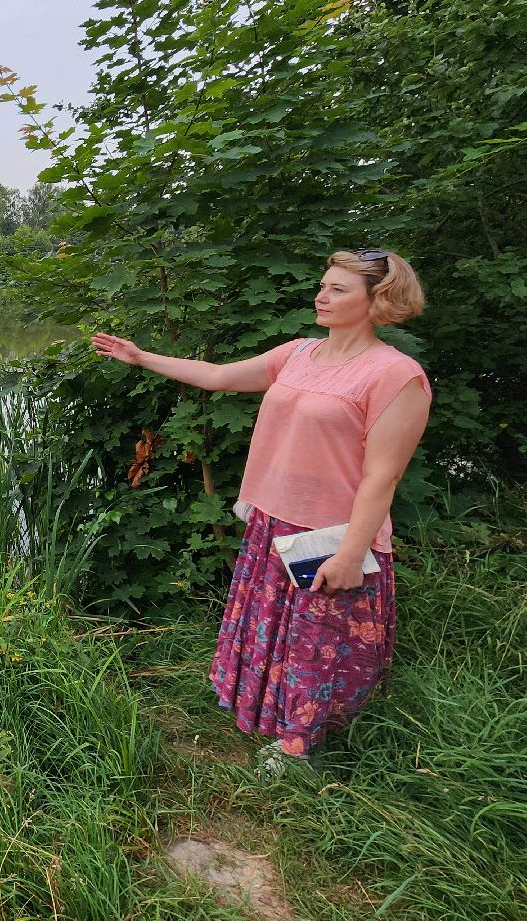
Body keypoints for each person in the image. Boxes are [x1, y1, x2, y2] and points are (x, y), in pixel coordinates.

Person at [91, 249, 431, 763]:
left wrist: (349, 553)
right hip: (273, 521)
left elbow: (382, 476)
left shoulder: (395, 375)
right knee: (279, 632)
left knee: (318, 642)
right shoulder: (299, 353)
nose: (322, 296)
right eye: (323, 285)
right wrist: (141, 357)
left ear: (378, 301)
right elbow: (218, 376)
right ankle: (272, 718)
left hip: (331, 533)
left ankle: (302, 749)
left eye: (338, 289)